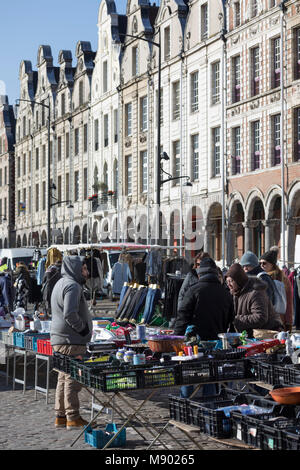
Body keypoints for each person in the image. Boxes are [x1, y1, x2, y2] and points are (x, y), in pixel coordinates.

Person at [174, 257, 234, 398]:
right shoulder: (225, 293)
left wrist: (176, 339)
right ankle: (209, 405)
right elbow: (230, 319)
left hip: (195, 342)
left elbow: (182, 316)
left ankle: (186, 404)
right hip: (217, 342)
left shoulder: (194, 290)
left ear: (200, 274)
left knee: (188, 374)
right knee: (210, 376)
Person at [50, 256, 93, 429]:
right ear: (75, 269)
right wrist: (83, 330)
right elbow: (70, 314)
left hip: (61, 338)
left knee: (63, 376)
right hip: (70, 339)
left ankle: (60, 416)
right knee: (71, 379)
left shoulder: (61, 283)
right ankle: (72, 417)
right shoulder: (72, 286)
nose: (87, 272)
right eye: (83, 269)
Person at [225, 263, 283, 338]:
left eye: (231, 281)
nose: (229, 284)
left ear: (239, 280)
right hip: (250, 336)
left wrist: (236, 320)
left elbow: (260, 317)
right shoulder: (235, 293)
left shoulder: (255, 293)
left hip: (266, 335)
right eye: (227, 282)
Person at [259, 247, 293, 333]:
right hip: (265, 318)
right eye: (260, 263)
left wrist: (288, 322)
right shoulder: (261, 277)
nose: (261, 265)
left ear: (272, 264)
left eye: (264, 263)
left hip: (279, 319)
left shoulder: (283, 279)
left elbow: (288, 302)